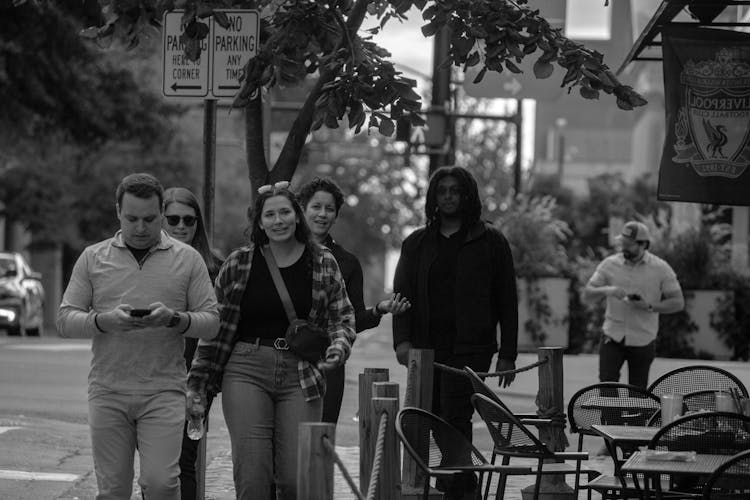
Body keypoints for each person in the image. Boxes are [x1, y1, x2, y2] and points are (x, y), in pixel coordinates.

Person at [187, 181, 355, 500]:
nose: (278, 220)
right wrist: (197, 382)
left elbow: (342, 318)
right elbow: (214, 329)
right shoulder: (239, 264)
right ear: (259, 222)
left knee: (295, 480)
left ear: (297, 216)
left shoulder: (323, 262)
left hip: (302, 374)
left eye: (285, 212)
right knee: (253, 478)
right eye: (270, 215)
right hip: (246, 368)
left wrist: (338, 347)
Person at [57, 173, 220, 500]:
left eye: (149, 218)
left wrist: (177, 319)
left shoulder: (188, 259)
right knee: (113, 489)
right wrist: (104, 321)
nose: (141, 227)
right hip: (108, 388)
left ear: (162, 212)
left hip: (163, 389)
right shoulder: (93, 257)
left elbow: (211, 322)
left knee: (160, 484)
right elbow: (65, 319)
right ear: (118, 211)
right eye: (131, 218)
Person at [391, 165, 519, 500]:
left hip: (473, 347)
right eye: (442, 191)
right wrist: (402, 341)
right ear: (433, 197)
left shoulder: (491, 241)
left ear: (467, 196)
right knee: (430, 414)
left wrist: (508, 353)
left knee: (457, 414)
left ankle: (461, 487)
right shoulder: (416, 243)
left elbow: (507, 298)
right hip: (426, 348)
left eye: (455, 190)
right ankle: (456, 481)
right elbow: (401, 295)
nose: (448, 197)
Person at [297, 177, 411, 424]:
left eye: (329, 209)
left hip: (328, 358)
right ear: (302, 209)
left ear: (336, 216)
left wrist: (379, 309)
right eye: (316, 207)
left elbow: (352, 321)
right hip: (285, 358)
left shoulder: (346, 262)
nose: (322, 214)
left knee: (321, 437)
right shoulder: (282, 253)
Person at [162, 187, 223, 500]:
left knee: (183, 459)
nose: (181, 226)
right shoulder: (147, 265)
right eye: (173, 219)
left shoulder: (216, 268)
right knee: (156, 463)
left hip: (197, 378)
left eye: (189, 219)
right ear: (161, 220)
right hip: (152, 375)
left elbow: (224, 327)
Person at [583, 220, 684, 388]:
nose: (624, 248)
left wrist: (650, 306)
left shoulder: (661, 268)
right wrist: (607, 290)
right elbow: (587, 294)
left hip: (643, 338)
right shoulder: (609, 264)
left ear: (644, 244)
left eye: (629, 244)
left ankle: (637, 415)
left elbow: (678, 302)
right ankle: (610, 416)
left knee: (638, 395)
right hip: (612, 336)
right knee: (607, 389)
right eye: (623, 243)